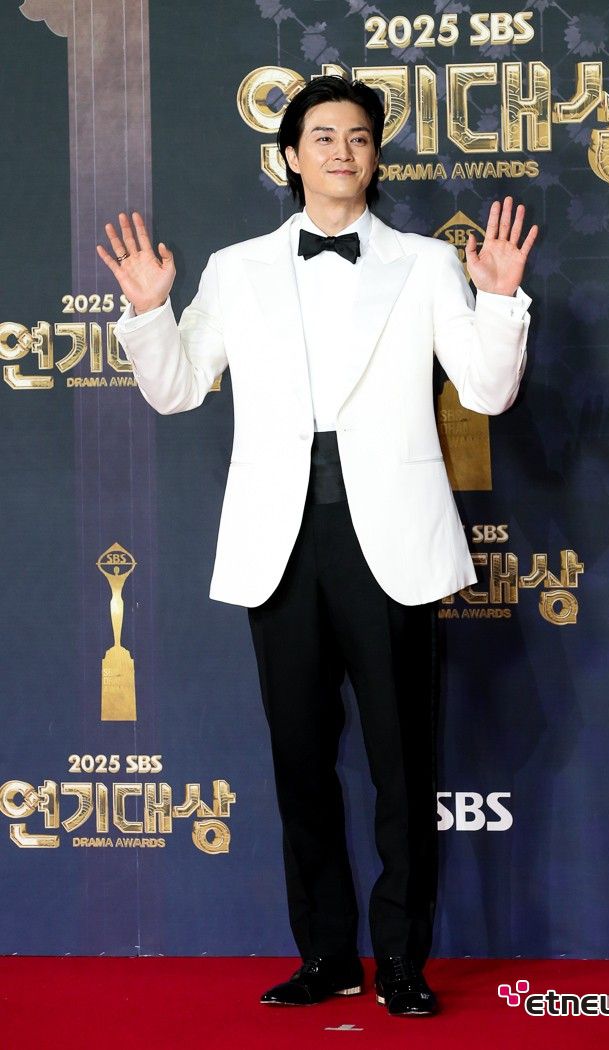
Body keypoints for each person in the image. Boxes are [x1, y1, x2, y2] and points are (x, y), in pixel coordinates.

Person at [98, 75, 537, 1017]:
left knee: (403, 766)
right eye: (325, 136)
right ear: (291, 156)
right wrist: (148, 314)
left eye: (360, 138)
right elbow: (177, 390)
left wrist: (501, 301)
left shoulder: (427, 262)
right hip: (281, 541)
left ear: (375, 159)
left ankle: (404, 964)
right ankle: (328, 958)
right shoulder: (235, 269)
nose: (343, 150)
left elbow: (487, 392)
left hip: (393, 540)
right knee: (300, 763)